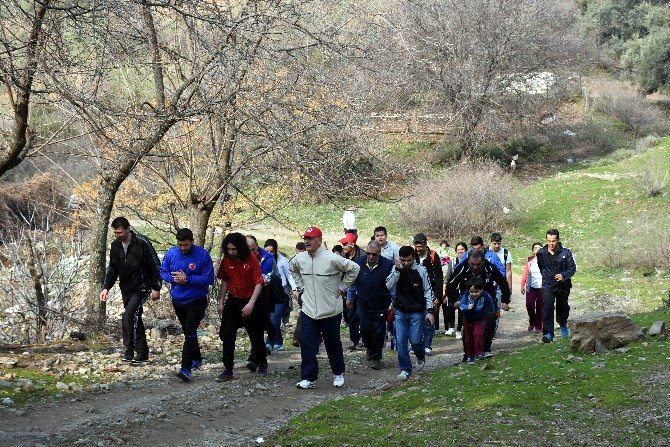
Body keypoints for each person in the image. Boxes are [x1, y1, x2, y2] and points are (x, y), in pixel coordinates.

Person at [289, 226, 360, 389]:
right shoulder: (300, 259)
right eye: (305, 238)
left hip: (330, 310)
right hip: (308, 309)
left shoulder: (331, 258)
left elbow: (354, 269)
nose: (307, 241)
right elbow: (292, 269)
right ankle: (308, 378)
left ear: (319, 241)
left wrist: (343, 287)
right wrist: (299, 287)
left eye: (311, 238)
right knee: (307, 343)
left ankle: (338, 373)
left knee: (332, 344)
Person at [100, 217, 161, 364]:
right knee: (135, 317)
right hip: (126, 287)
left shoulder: (142, 243)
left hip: (143, 286)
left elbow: (155, 265)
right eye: (115, 233)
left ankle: (129, 350)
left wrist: (156, 287)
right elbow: (113, 269)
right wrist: (106, 287)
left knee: (128, 315)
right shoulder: (115, 246)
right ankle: (142, 353)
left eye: (120, 232)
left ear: (128, 229)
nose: (118, 235)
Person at [159, 228, 215, 382]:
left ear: (192, 242)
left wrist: (188, 279)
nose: (183, 248)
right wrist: (173, 278)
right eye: (180, 245)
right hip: (178, 300)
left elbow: (209, 279)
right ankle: (196, 357)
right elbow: (163, 272)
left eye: (186, 245)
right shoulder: (171, 253)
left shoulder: (202, 255)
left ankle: (186, 368)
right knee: (188, 331)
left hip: (196, 300)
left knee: (190, 329)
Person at [215, 232, 268, 381]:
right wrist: (221, 301)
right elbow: (224, 281)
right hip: (233, 301)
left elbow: (259, 282)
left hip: (251, 300)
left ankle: (262, 362)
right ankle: (228, 370)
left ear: (241, 248)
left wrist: (251, 303)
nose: (231, 252)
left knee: (256, 335)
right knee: (227, 335)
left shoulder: (251, 260)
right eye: (229, 249)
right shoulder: (226, 261)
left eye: (234, 249)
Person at [445, 249, 510, 360]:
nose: (475, 267)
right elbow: (450, 285)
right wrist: (455, 300)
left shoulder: (489, 268)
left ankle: (485, 350)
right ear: (468, 260)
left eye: (478, 265)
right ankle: (469, 354)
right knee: (468, 332)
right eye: (472, 264)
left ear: (483, 261)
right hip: (468, 304)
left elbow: (503, 283)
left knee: (489, 326)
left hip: (487, 302)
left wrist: (505, 300)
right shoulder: (462, 268)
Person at [385, 245, 435, 380]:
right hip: (400, 311)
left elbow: (428, 291)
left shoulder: (421, 270)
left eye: (408, 260)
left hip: (417, 312)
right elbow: (388, 285)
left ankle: (420, 356)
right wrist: (397, 269)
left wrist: (430, 311)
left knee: (415, 340)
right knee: (400, 341)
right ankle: (405, 369)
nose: (406, 263)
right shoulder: (396, 269)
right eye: (403, 260)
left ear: (413, 257)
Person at [347, 241, 394, 370]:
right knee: (366, 330)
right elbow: (352, 282)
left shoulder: (388, 265)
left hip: (381, 304)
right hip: (363, 303)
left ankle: (376, 358)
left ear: (379, 253)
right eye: (368, 253)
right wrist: (350, 297)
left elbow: (392, 285)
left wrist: (394, 302)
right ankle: (369, 347)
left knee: (379, 332)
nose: (371, 256)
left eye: (374, 254)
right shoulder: (358, 263)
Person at [535, 229, 577, 343]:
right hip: (548, 285)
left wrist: (563, 275)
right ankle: (548, 334)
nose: (551, 243)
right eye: (549, 241)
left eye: (553, 241)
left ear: (558, 240)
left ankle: (563, 325)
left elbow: (572, 268)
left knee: (562, 308)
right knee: (547, 308)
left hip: (563, 286)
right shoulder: (541, 253)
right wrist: (547, 277)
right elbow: (541, 267)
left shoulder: (566, 253)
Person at [412, 233, 443, 355]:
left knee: (429, 320)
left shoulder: (433, 256)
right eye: (416, 246)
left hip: (430, 293)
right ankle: (417, 344)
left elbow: (439, 276)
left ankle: (427, 345)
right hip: (415, 294)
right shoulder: (412, 255)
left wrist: (438, 296)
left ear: (425, 244)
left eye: (420, 246)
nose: (418, 249)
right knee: (416, 320)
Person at [460, 276, 495, 363]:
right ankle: (470, 354)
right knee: (468, 337)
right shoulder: (466, 295)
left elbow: (491, 303)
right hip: (468, 318)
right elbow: (461, 304)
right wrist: (467, 307)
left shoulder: (485, 295)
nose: (474, 294)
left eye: (476, 292)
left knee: (478, 334)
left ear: (481, 290)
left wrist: (493, 312)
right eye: (471, 292)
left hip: (480, 318)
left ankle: (479, 353)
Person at [264, 239, 297, 329]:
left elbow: (289, 275)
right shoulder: (261, 259)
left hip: (282, 288)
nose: (269, 253)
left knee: (285, 307)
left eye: (272, 252)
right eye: (267, 251)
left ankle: (284, 323)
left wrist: (294, 289)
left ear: (275, 251)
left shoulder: (281, 260)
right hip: (268, 288)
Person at [340, 232, 364, 350]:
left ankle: (364, 340)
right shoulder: (342, 256)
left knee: (361, 315)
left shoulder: (364, 256)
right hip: (347, 291)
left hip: (362, 291)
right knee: (350, 316)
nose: (343, 247)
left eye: (345, 244)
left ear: (352, 244)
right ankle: (354, 340)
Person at [444, 242, 467, 338]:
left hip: (464, 289)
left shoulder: (468, 262)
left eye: (462, 249)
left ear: (466, 250)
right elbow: (448, 277)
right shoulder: (452, 262)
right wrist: (445, 291)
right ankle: (451, 327)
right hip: (453, 288)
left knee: (461, 309)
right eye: (458, 250)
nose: (460, 251)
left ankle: (459, 330)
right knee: (451, 306)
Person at [520, 242, 544, 333]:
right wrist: (522, 285)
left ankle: (538, 325)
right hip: (531, 287)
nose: (537, 249)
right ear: (533, 251)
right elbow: (525, 273)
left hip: (542, 287)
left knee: (540, 307)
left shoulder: (546, 260)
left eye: (539, 247)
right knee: (529, 305)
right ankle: (532, 322)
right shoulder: (530, 260)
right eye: (535, 248)